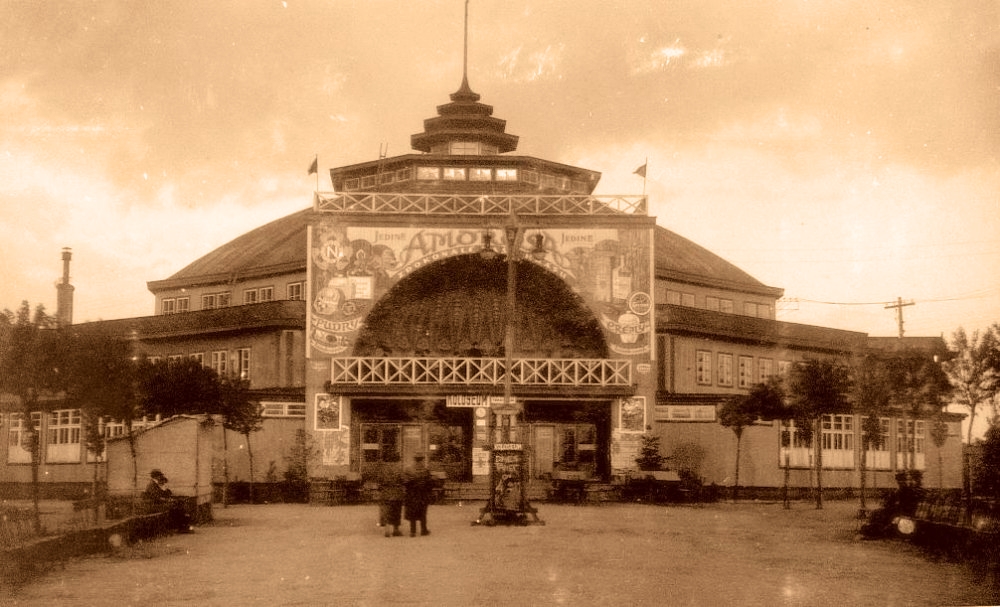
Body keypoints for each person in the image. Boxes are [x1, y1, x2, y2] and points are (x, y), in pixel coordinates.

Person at [142, 469, 193, 533]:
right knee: (175, 507)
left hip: (158, 504)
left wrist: (165, 490)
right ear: (156, 476)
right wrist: (168, 500)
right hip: (154, 505)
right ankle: (181, 527)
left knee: (178, 505)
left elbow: (166, 494)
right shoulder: (151, 485)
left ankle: (182, 526)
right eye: (160, 475)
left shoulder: (157, 484)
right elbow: (156, 498)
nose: (161, 477)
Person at [403, 454, 433, 537]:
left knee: (412, 512)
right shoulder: (425, 470)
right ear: (422, 460)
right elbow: (429, 483)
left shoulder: (408, 469)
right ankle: (423, 530)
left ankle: (413, 531)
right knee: (423, 512)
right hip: (422, 494)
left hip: (411, 494)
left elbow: (405, 482)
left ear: (414, 459)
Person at [378, 465, 404, 538]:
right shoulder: (399, 469)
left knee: (386, 511)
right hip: (396, 494)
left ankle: (387, 529)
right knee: (396, 512)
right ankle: (396, 530)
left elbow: (379, 484)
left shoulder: (382, 470)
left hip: (385, 494)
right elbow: (403, 481)